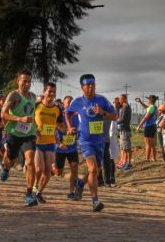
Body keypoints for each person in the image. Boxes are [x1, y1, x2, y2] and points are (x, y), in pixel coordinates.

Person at [66, 74, 117, 212]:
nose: (91, 87)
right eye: (88, 85)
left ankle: (81, 183)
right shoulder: (77, 102)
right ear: (82, 87)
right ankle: (95, 201)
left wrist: (103, 112)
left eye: (93, 84)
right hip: (85, 140)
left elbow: (115, 116)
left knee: (95, 170)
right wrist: (70, 127)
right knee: (93, 168)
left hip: (99, 141)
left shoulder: (102, 100)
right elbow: (67, 113)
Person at [1, 70, 38, 206]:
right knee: (11, 160)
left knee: (30, 162)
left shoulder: (33, 97)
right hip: (14, 134)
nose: (27, 84)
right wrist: (19, 118)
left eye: (29, 81)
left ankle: (29, 194)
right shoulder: (14, 95)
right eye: (24, 81)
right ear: (18, 81)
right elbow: (3, 115)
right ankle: (5, 168)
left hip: (29, 134)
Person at [34, 82, 64, 203]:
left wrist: (67, 130)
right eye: (49, 91)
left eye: (53, 91)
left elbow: (60, 125)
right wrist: (34, 130)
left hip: (50, 142)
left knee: (48, 171)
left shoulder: (57, 109)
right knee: (39, 169)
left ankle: (39, 192)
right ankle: (34, 186)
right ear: (44, 92)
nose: (52, 94)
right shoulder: (36, 106)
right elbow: (29, 121)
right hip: (37, 142)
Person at [53, 95, 80, 199]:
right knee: (58, 172)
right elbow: (52, 132)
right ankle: (53, 168)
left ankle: (72, 192)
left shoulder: (77, 116)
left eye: (72, 102)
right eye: (68, 102)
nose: (70, 104)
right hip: (60, 148)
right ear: (63, 105)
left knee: (74, 166)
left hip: (72, 148)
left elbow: (80, 130)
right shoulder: (59, 116)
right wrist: (59, 143)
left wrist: (76, 133)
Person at [136, 95, 158, 161]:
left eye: (148, 99)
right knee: (152, 144)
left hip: (148, 126)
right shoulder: (154, 107)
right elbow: (146, 107)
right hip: (153, 126)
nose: (147, 100)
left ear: (150, 100)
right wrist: (140, 102)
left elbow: (146, 117)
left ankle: (147, 159)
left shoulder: (151, 108)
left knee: (148, 143)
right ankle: (154, 158)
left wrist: (139, 126)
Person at [117, 94, 132, 170]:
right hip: (123, 130)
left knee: (127, 148)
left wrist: (115, 121)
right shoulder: (123, 107)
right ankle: (125, 162)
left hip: (125, 130)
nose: (119, 100)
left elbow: (122, 119)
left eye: (120, 99)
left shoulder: (126, 107)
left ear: (123, 99)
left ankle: (128, 163)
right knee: (124, 148)